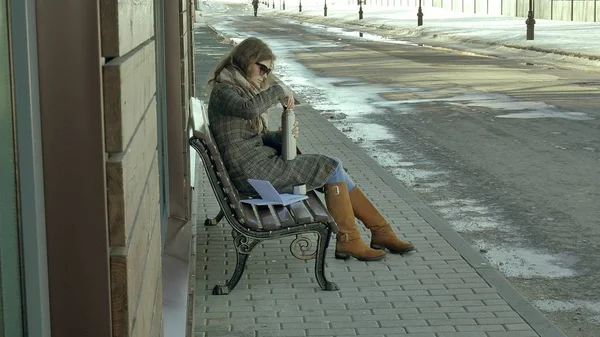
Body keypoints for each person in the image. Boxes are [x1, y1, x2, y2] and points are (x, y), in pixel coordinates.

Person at [207, 37, 415, 261]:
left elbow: (247, 135)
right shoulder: (225, 90)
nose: (265, 75)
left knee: (333, 168)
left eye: (269, 71)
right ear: (247, 59)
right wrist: (279, 90)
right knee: (331, 166)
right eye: (263, 67)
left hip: (254, 167)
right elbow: (247, 110)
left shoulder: (238, 88)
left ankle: (379, 231)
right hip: (253, 173)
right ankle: (353, 239)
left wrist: (281, 135)